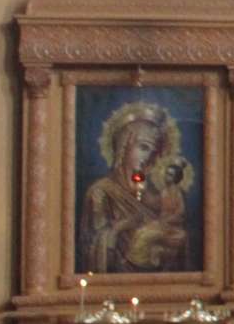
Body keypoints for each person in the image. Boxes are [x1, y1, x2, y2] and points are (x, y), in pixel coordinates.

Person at [79, 103, 191, 272]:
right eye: (143, 147)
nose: (147, 157)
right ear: (124, 146)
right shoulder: (101, 192)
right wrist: (122, 226)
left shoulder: (156, 192)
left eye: (153, 152)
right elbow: (93, 245)